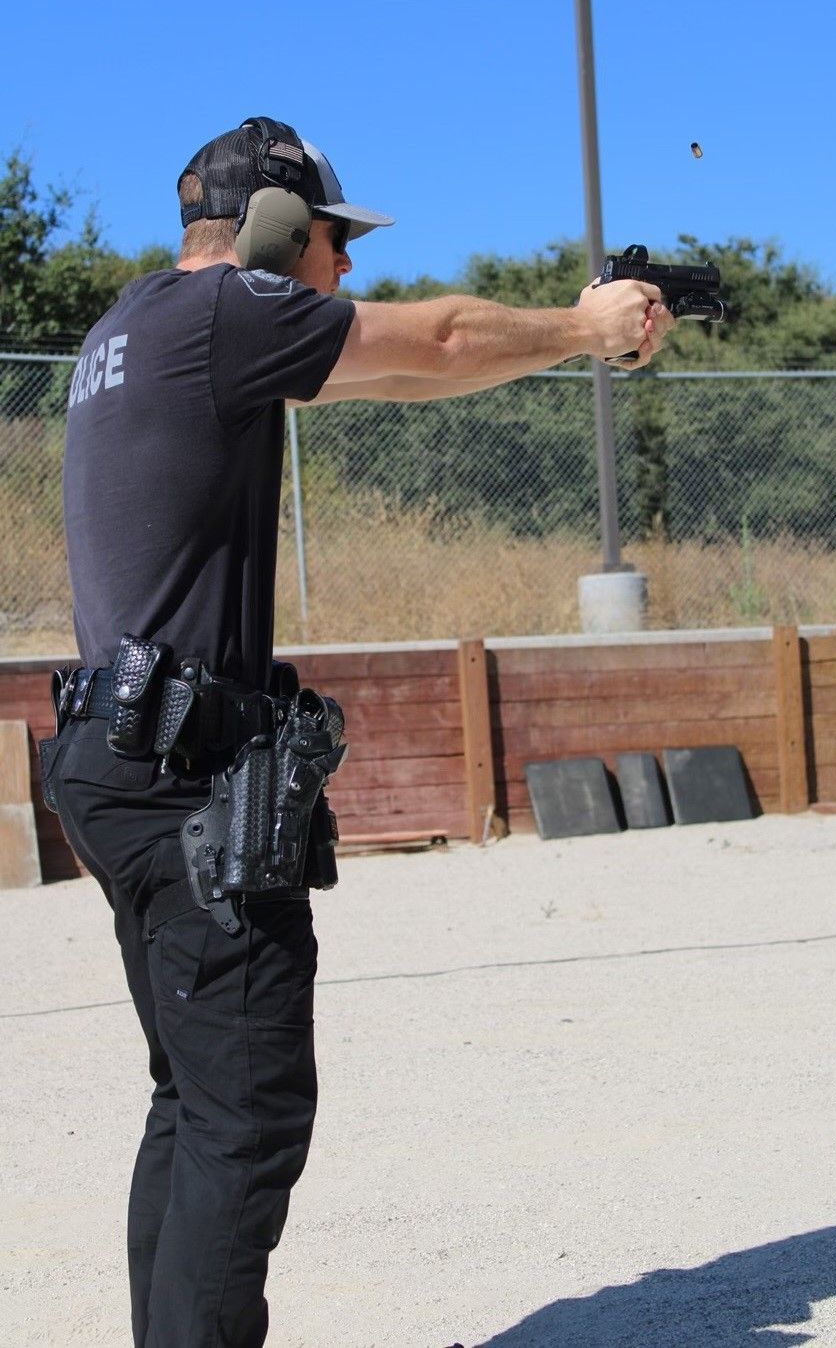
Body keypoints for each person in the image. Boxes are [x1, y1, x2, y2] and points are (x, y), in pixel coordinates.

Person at [43, 115, 673, 1347]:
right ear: (282, 231)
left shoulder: (131, 331)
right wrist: (584, 329)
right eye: (336, 242)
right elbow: (432, 335)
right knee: (248, 1112)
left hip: (117, 763)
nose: (346, 270)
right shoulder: (227, 316)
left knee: (193, 1099)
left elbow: (400, 366)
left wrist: (554, 343)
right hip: (182, 781)